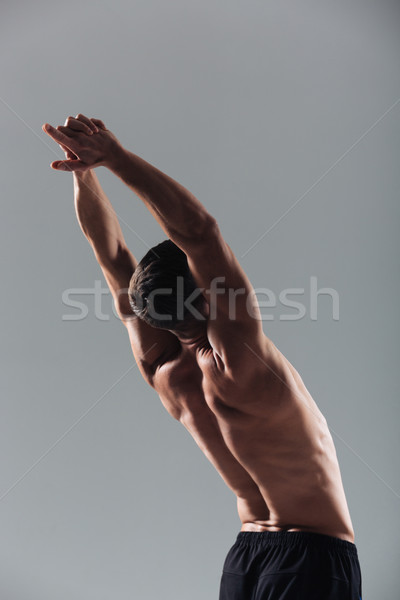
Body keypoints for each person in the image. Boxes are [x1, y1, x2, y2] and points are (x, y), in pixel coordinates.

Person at [43, 114, 363, 599]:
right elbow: (201, 232)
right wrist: (116, 159)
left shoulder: (160, 368)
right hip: (313, 554)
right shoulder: (241, 364)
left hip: (245, 556)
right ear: (209, 297)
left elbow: (109, 254)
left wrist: (83, 176)